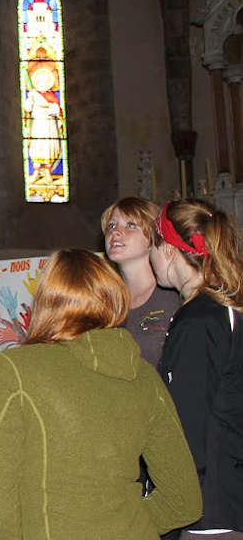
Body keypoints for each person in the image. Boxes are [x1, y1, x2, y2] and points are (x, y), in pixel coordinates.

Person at [0, 249, 202, 540]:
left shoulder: (15, 370)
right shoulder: (145, 376)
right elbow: (184, 501)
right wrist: (126, 525)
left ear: (46, 301)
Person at [150, 199, 243, 538]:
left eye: (152, 246)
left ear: (168, 249)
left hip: (207, 512)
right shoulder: (225, 309)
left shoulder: (198, 321)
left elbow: (186, 431)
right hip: (227, 498)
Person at [102, 196, 179, 367]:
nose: (115, 232)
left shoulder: (175, 296)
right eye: (111, 226)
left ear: (153, 237)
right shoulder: (103, 301)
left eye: (131, 225)